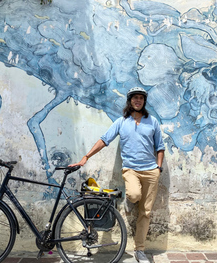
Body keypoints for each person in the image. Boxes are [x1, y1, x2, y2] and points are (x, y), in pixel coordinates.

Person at [69, 87, 165, 263]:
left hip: (151, 172)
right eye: (135, 98)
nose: (138, 101)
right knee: (134, 195)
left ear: (144, 101)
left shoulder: (152, 122)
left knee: (146, 212)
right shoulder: (122, 122)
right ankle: (131, 199)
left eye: (141, 98)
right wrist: (86, 157)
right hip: (131, 170)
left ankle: (140, 250)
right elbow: (104, 140)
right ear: (130, 101)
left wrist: (158, 168)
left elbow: (160, 147)